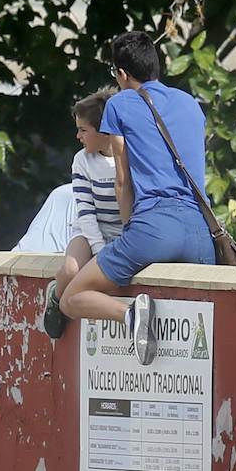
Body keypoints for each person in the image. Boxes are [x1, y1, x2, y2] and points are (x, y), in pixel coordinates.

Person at [59, 32, 215, 364]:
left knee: (71, 298)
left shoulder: (120, 103)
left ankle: (131, 314)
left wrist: (131, 230)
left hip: (154, 228)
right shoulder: (190, 103)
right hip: (202, 232)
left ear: (121, 74)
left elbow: (121, 179)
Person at [42, 89, 121, 339]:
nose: (78, 136)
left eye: (84, 130)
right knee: (71, 270)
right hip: (90, 232)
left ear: (104, 131)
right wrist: (98, 248)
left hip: (120, 233)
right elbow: (85, 211)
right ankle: (55, 298)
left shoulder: (127, 156)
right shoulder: (82, 161)